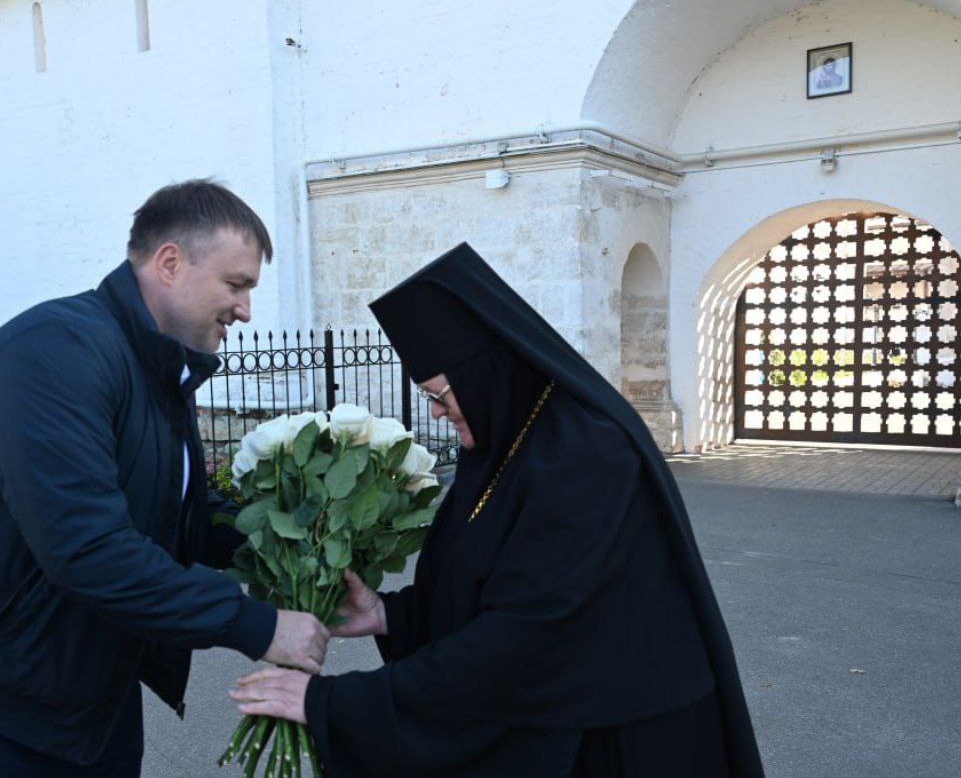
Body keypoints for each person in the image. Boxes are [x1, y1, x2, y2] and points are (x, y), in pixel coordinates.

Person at [230, 243, 764, 776]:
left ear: (484, 372)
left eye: (440, 395)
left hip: (620, 736)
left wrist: (332, 704)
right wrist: (389, 615)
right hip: (555, 716)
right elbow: (483, 584)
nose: (437, 413)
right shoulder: (499, 443)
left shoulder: (586, 454)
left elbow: (523, 634)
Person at [0, 180, 330, 776]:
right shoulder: (53, 352)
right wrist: (259, 625)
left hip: (88, 703)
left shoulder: (157, 367)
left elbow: (173, 512)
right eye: (236, 284)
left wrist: (294, 537)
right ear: (170, 262)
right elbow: (87, 547)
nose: (245, 309)